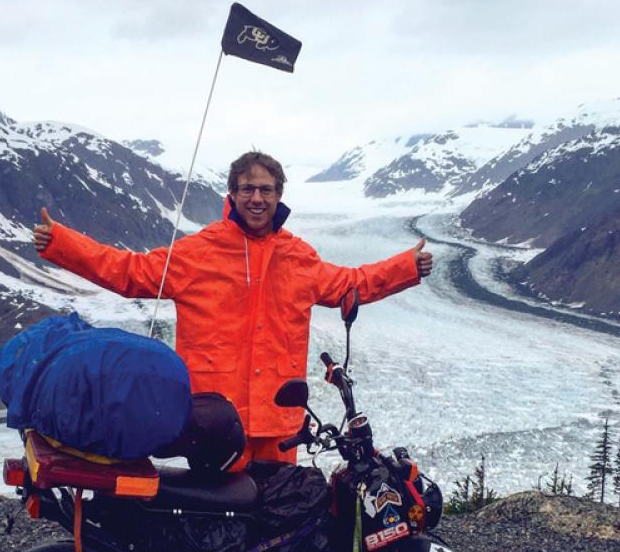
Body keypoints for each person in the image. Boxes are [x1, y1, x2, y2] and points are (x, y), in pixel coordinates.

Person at [33, 151, 432, 470]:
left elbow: (350, 285)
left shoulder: (297, 257)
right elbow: (130, 272)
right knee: (214, 522)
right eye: (247, 190)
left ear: (278, 195)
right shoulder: (199, 252)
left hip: (279, 423)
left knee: (280, 524)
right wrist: (62, 244)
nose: (256, 199)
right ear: (232, 194)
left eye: (265, 190)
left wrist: (407, 268)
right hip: (214, 422)